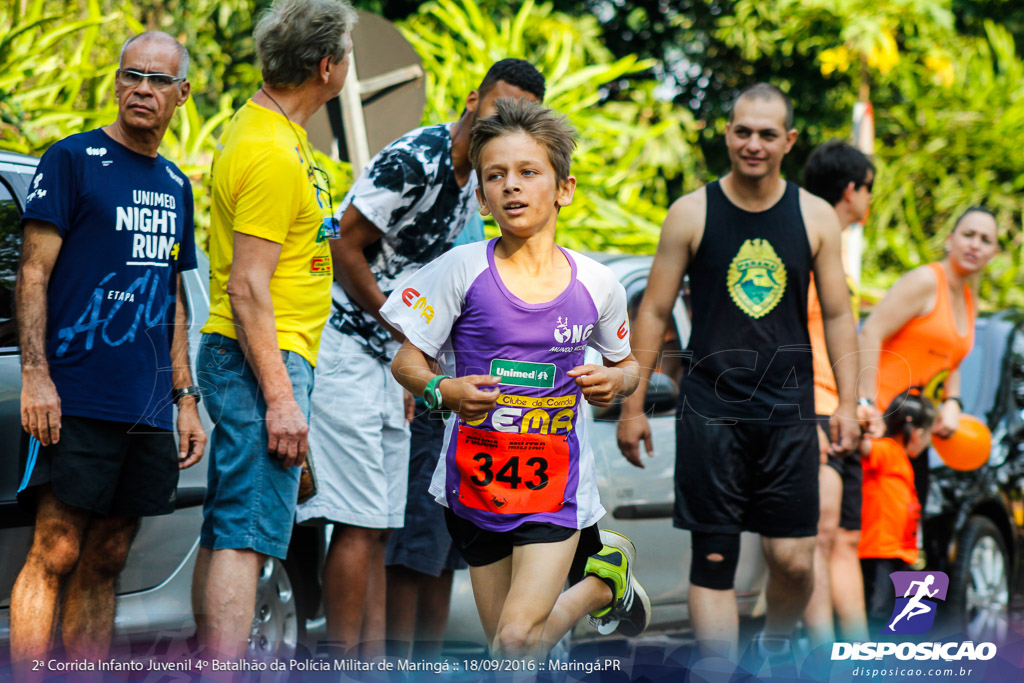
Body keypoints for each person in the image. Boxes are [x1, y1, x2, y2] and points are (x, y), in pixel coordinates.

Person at [295, 59, 546, 658]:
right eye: (497, 106)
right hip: (343, 341)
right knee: (357, 519)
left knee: (382, 523)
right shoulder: (420, 158)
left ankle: (375, 667)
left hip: (387, 357)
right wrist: (400, 328)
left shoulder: (472, 180)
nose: (502, 122)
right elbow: (341, 240)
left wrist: (413, 364)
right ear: (470, 99)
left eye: (519, 116)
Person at [384, 98, 649, 658]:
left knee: (514, 639)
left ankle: (598, 586)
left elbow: (629, 366)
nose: (512, 187)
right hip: (474, 486)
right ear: (481, 197)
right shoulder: (460, 270)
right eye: (496, 176)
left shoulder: (598, 285)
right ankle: (605, 581)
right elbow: (406, 362)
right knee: (510, 656)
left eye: (529, 173)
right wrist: (442, 390)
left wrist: (616, 383)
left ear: (563, 189)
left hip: (557, 490)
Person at [616, 83, 861, 662]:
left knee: (794, 559)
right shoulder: (692, 212)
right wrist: (631, 407)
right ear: (727, 134)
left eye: (767, 134)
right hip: (711, 412)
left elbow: (839, 313)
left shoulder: (815, 216)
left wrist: (849, 403)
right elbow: (652, 310)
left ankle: (776, 643)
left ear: (789, 141)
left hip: (789, 411)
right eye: (743, 131)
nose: (753, 144)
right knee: (715, 559)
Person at [11, 31, 204, 665]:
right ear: (117, 83)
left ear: (181, 94)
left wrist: (184, 396)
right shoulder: (71, 159)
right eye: (132, 76)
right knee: (57, 548)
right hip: (75, 392)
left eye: (157, 80)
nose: (142, 89)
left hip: (146, 403)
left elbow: (171, 295)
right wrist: (37, 378)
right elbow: (32, 272)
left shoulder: (176, 185)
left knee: (109, 552)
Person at [190, 0, 356, 659]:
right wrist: (282, 396)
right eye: (348, 56)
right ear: (326, 66)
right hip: (262, 357)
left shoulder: (282, 135)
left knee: (229, 523)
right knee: (248, 532)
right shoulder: (270, 151)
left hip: (275, 353)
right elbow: (245, 285)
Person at [857, 206, 1000, 526]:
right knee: (874, 546)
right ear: (950, 240)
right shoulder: (925, 281)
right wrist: (867, 406)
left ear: (994, 252)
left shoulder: (967, 294)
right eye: (968, 235)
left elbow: (952, 359)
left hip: (916, 435)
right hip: (881, 431)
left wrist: (952, 402)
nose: (975, 244)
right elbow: (869, 332)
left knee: (908, 546)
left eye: (985, 239)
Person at [801, 140, 875, 646]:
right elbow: (789, 340)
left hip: (839, 413)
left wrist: (859, 407)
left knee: (846, 539)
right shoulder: (801, 244)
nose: (870, 201)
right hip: (811, 415)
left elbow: (842, 342)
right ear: (851, 190)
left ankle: (861, 655)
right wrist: (809, 414)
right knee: (819, 539)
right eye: (870, 189)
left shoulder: (832, 255)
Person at [859, 389, 936, 631]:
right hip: (878, 550)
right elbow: (865, 449)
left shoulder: (901, 459)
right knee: (877, 610)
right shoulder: (888, 450)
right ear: (919, 434)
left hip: (895, 551)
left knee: (890, 611)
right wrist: (862, 422)